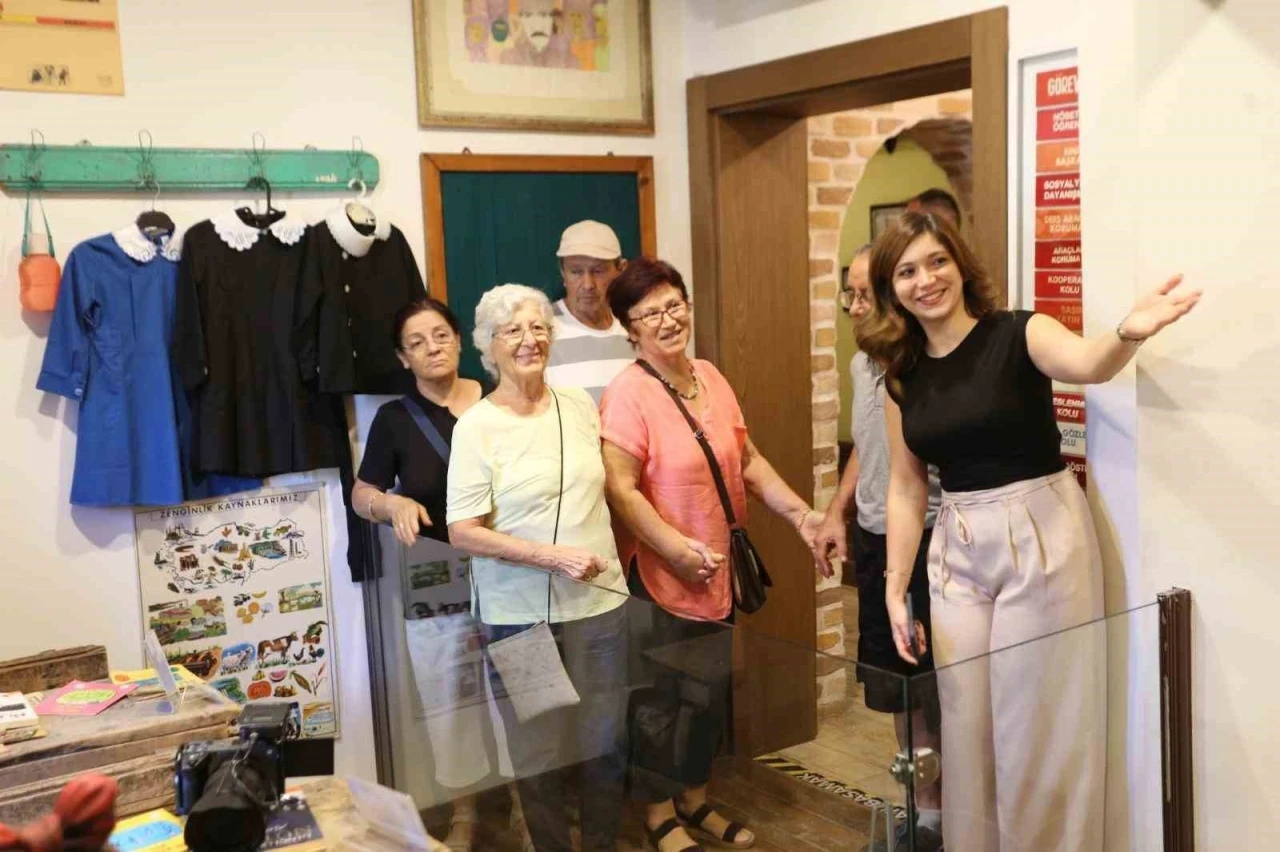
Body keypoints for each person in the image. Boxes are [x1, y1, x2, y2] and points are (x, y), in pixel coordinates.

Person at [856, 212, 1199, 852]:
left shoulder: (1018, 332)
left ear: (960, 264)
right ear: (890, 289)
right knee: (966, 724)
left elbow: (1088, 362)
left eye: (937, 261)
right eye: (907, 271)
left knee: (1036, 727)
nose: (926, 280)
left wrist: (1128, 330)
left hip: (1041, 532)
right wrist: (895, 587)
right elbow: (906, 486)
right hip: (956, 544)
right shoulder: (900, 374)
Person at [600, 257, 828, 852]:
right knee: (659, 703)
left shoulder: (710, 376)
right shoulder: (628, 394)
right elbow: (620, 489)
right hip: (661, 575)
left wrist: (801, 514)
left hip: (717, 573)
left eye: (674, 305)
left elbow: (746, 459)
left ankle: (695, 799)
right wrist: (674, 549)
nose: (667, 320)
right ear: (630, 329)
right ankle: (658, 815)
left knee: (706, 695)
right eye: (650, 313)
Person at [447, 284, 630, 852]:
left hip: (600, 606)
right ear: (489, 347)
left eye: (539, 328)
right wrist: (552, 557)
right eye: (513, 331)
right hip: (519, 618)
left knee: (605, 744)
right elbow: (463, 531)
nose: (530, 340)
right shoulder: (476, 426)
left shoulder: (577, 404)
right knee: (539, 754)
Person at [352, 299, 527, 852]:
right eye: (417, 342)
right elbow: (362, 492)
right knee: (449, 695)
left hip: (511, 569)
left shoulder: (502, 398)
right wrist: (390, 504)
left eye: (441, 334)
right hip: (436, 577)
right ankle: (464, 810)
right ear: (404, 357)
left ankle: (529, 805)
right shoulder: (394, 419)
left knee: (523, 689)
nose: (432, 347)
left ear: (459, 339)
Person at [816, 245, 944, 850]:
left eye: (865, 294)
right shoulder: (861, 362)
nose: (854, 306)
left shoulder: (927, 366)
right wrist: (836, 511)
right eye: (850, 294)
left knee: (937, 688)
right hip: (873, 539)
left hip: (928, 542)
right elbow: (869, 448)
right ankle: (921, 811)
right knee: (897, 689)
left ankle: (949, 818)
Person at [544, 220, 634, 404]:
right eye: (576, 272)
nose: (587, 285)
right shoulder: (540, 329)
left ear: (621, 270)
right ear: (562, 272)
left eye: (598, 271)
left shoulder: (636, 326)